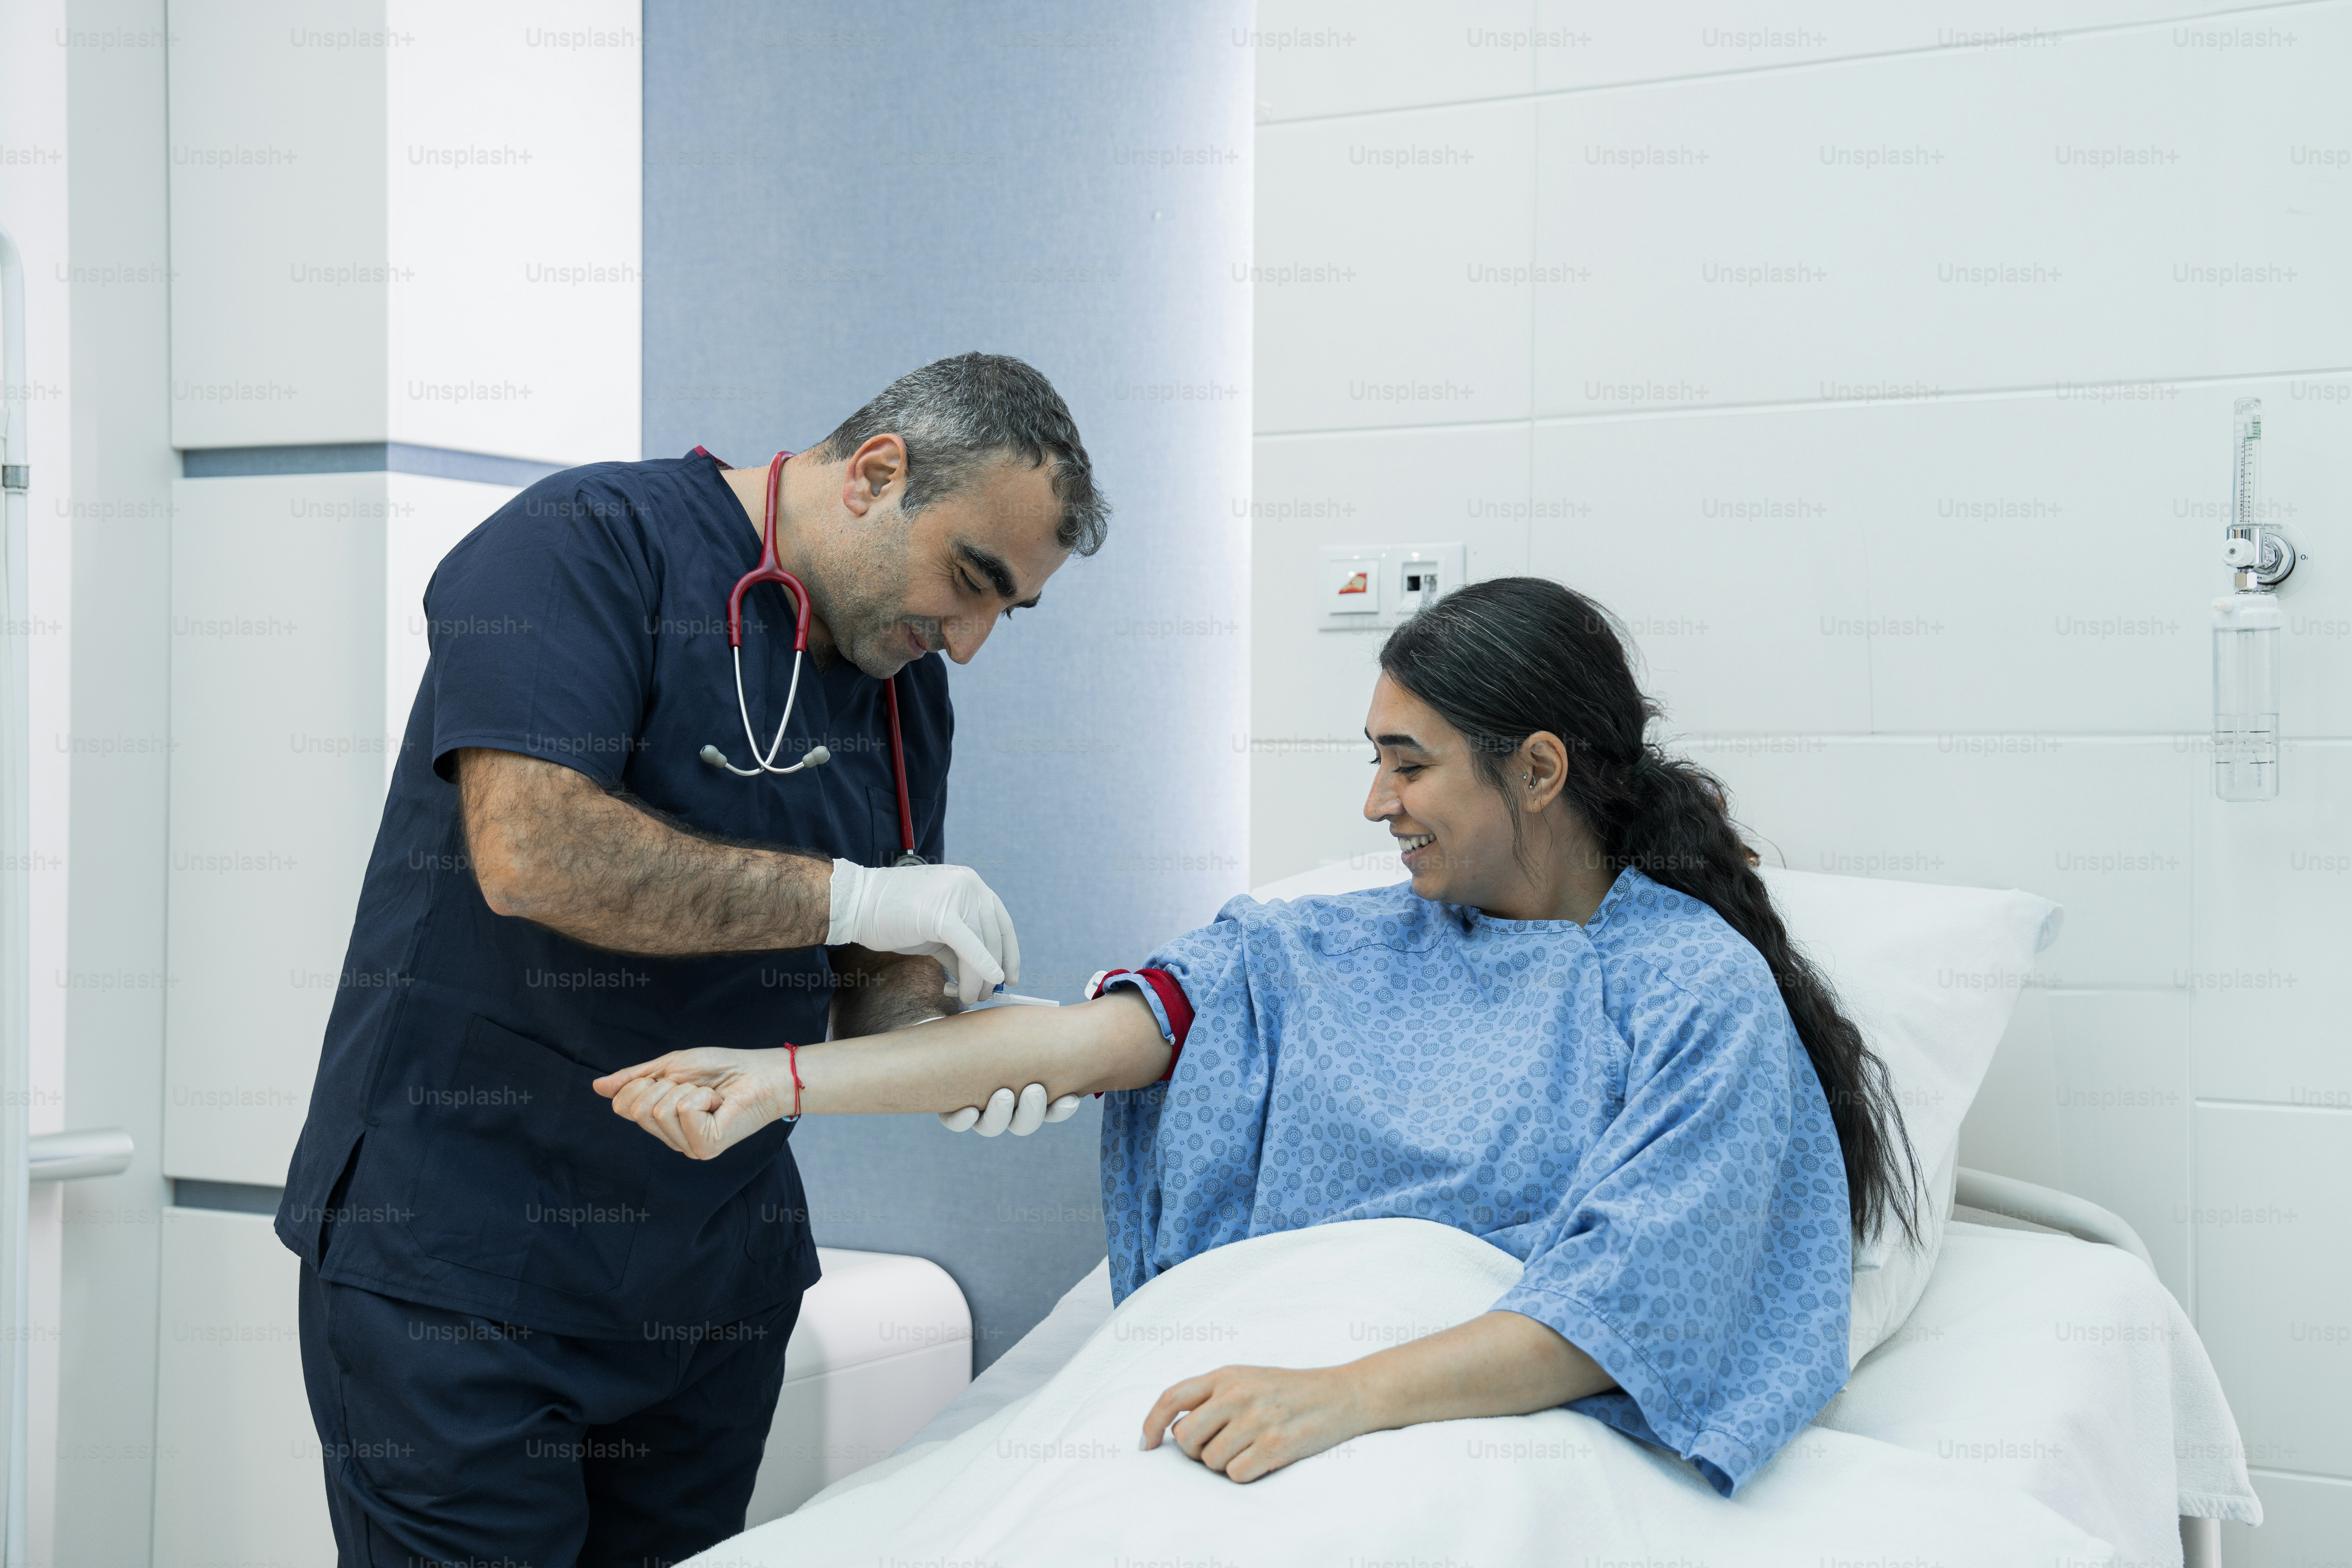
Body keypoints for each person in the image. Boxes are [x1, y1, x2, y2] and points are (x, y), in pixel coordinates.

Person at [598, 575, 1921, 1500]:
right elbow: (1071, 1045)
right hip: (1235, 1383)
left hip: (1458, 1420)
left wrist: (1341, 1395)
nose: (1375, 802)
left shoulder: (1691, 992)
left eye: (1408, 763)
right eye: (1372, 758)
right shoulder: (1316, 949)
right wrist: (775, 1081)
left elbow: (1635, 1305)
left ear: (1536, 769)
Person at [275, 352, 1108, 1568]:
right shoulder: (584, 543)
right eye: (969, 581)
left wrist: (968, 1047)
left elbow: (865, 989)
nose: (968, 642)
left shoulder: (900, 687)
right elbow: (534, 854)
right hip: (465, 1262)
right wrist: (851, 891)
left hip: (714, 1285)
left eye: (1006, 611)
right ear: (877, 474)